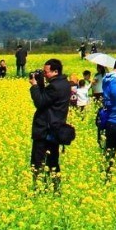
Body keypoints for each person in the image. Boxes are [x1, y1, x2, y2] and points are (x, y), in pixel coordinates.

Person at [29, 59, 72, 191]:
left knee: (38, 162)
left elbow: (40, 102)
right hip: (55, 129)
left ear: (55, 71)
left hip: (46, 130)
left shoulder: (54, 86)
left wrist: (35, 86)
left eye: (46, 72)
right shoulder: (64, 83)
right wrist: (42, 85)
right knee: (53, 161)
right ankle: (55, 189)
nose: (44, 74)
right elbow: (48, 100)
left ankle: (38, 189)